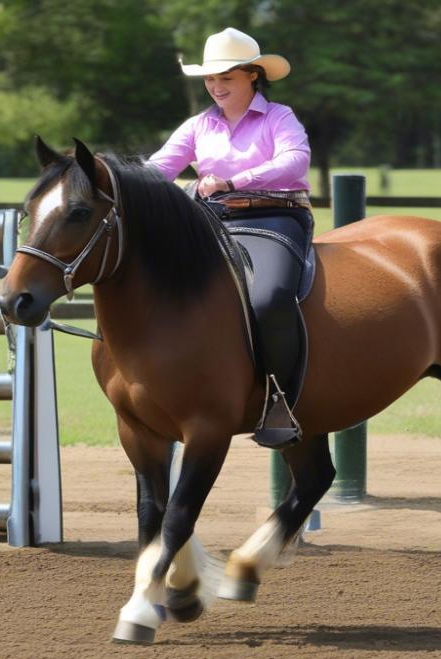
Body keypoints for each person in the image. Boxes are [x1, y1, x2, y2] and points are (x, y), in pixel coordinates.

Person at [148, 27, 314, 448]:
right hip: (212, 220)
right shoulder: (198, 125)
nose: (216, 87)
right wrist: (110, 179)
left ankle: (279, 400)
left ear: (253, 76)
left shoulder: (279, 117)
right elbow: (159, 169)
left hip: (276, 217)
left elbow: (296, 162)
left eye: (226, 78)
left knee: (270, 297)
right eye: (210, 79)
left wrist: (234, 181)